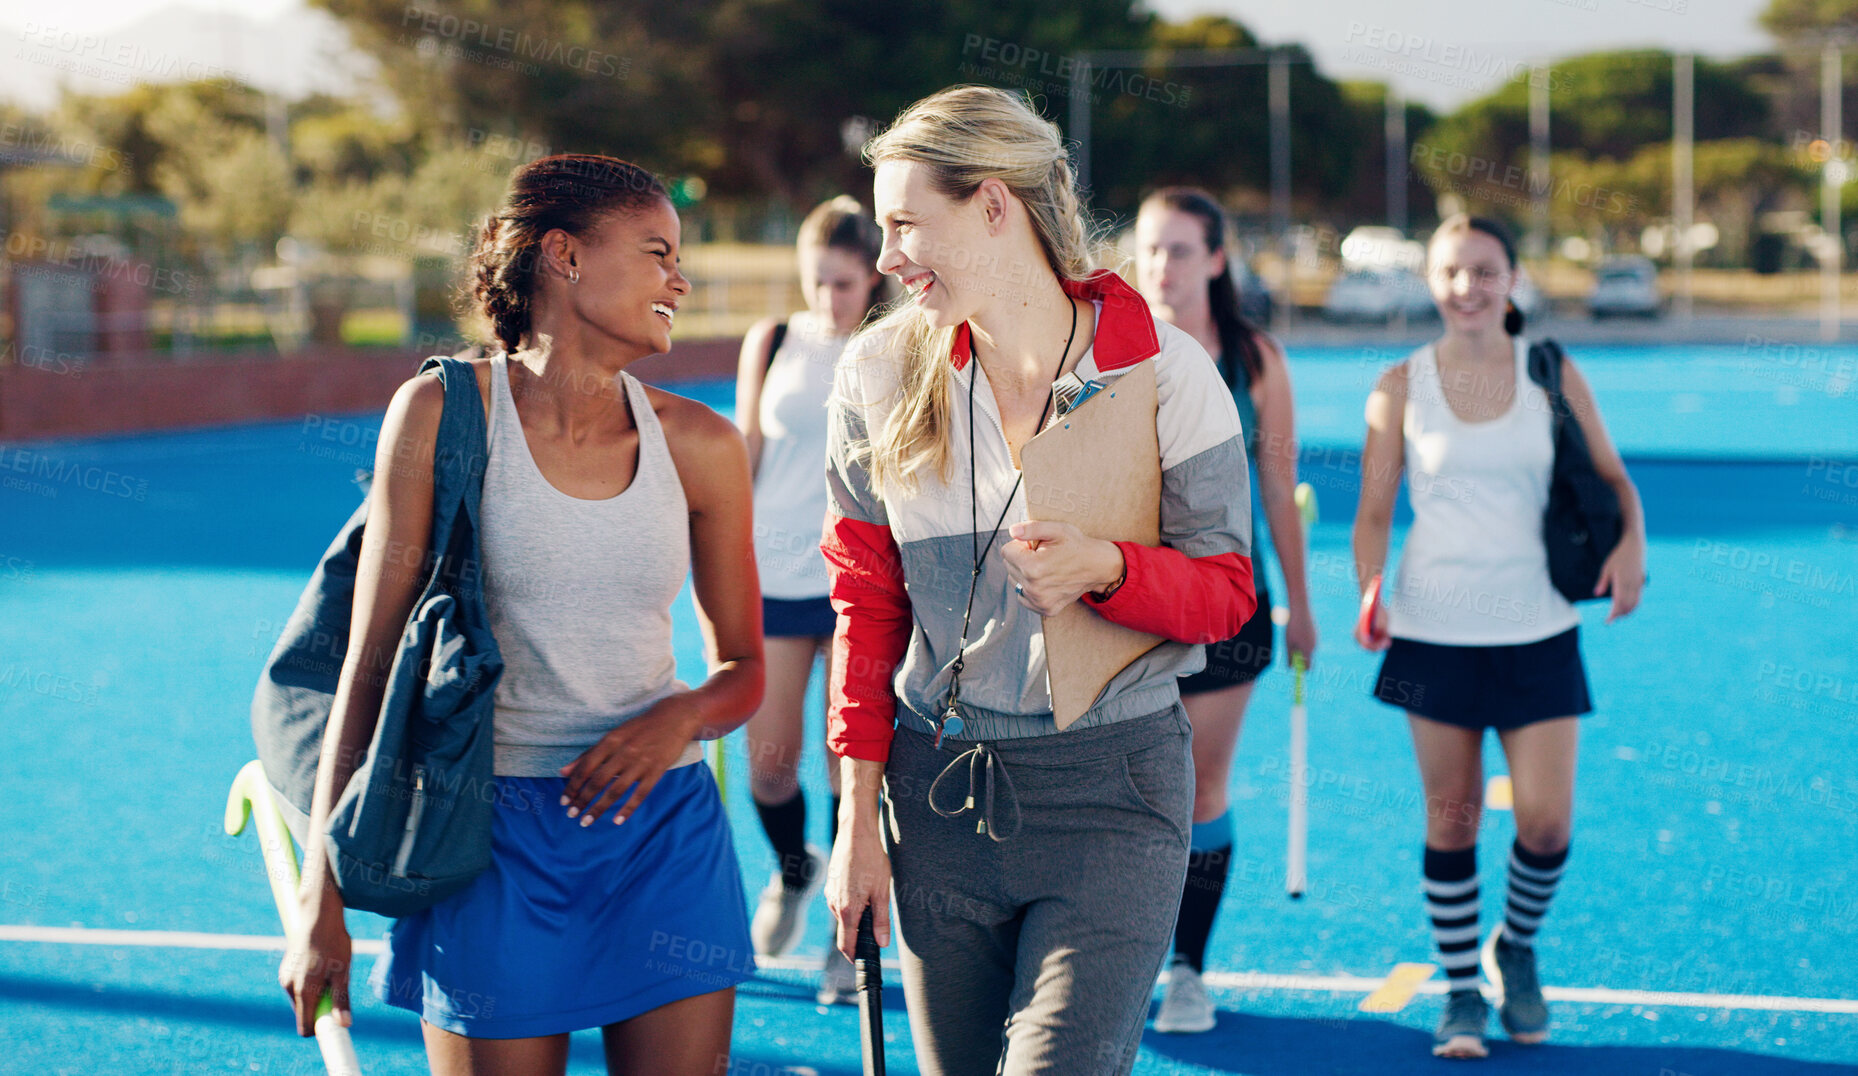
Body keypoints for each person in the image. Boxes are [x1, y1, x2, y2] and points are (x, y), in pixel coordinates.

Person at [279, 154, 765, 1076]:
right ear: (564, 257)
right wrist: (321, 889)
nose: (681, 278)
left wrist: (683, 716)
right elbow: (371, 660)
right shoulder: (438, 413)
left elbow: (744, 666)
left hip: (662, 835)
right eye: (658, 252)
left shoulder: (703, 447)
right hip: (480, 838)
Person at [822, 85, 1259, 1076]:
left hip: (1115, 789)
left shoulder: (1165, 370)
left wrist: (1109, 568)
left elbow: (1226, 590)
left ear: (991, 204)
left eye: (904, 224)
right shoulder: (875, 374)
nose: (885, 256)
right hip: (933, 796)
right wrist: (854, 821)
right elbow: (867, 608)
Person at [1352, 214, 1645, 1059]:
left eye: (1485, 271)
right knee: (1453, 820)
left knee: (1547, 825)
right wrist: (1369, 588)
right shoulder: (1400, 383)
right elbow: (1373, 515)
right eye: (1450, 271)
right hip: (1432, 634)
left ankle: (1514, 944)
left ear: (1513, 278)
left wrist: (1632, 551)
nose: (1467, 288)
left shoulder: (1551, 370)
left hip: (1540, 632)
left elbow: (1618, 484)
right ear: (1430, 280)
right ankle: (1458, 992)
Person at [1132, 187, 1317, 1033]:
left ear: (1215, 258)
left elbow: (1277, 488)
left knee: (1202, 783)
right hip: (1128, 604)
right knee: (1132, 788)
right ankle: (1120, 956)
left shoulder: (1254, 360)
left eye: (1177, 249)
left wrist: (1302, 609)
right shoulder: (1113, 349)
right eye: (1148, 249)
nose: (1159, 267)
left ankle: (1187, 968)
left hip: (1231, 607)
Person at [732, 194, 887, 1004]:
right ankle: (795, 872)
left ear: (872, 280)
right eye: (819, 280)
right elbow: (746, 454)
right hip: (776, 576)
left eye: (846, 282)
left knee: (845, 770)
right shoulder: (772, 342)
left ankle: (845, 940)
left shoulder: (894, 348)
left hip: (857, 581)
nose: (830, 297)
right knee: (765, 763)